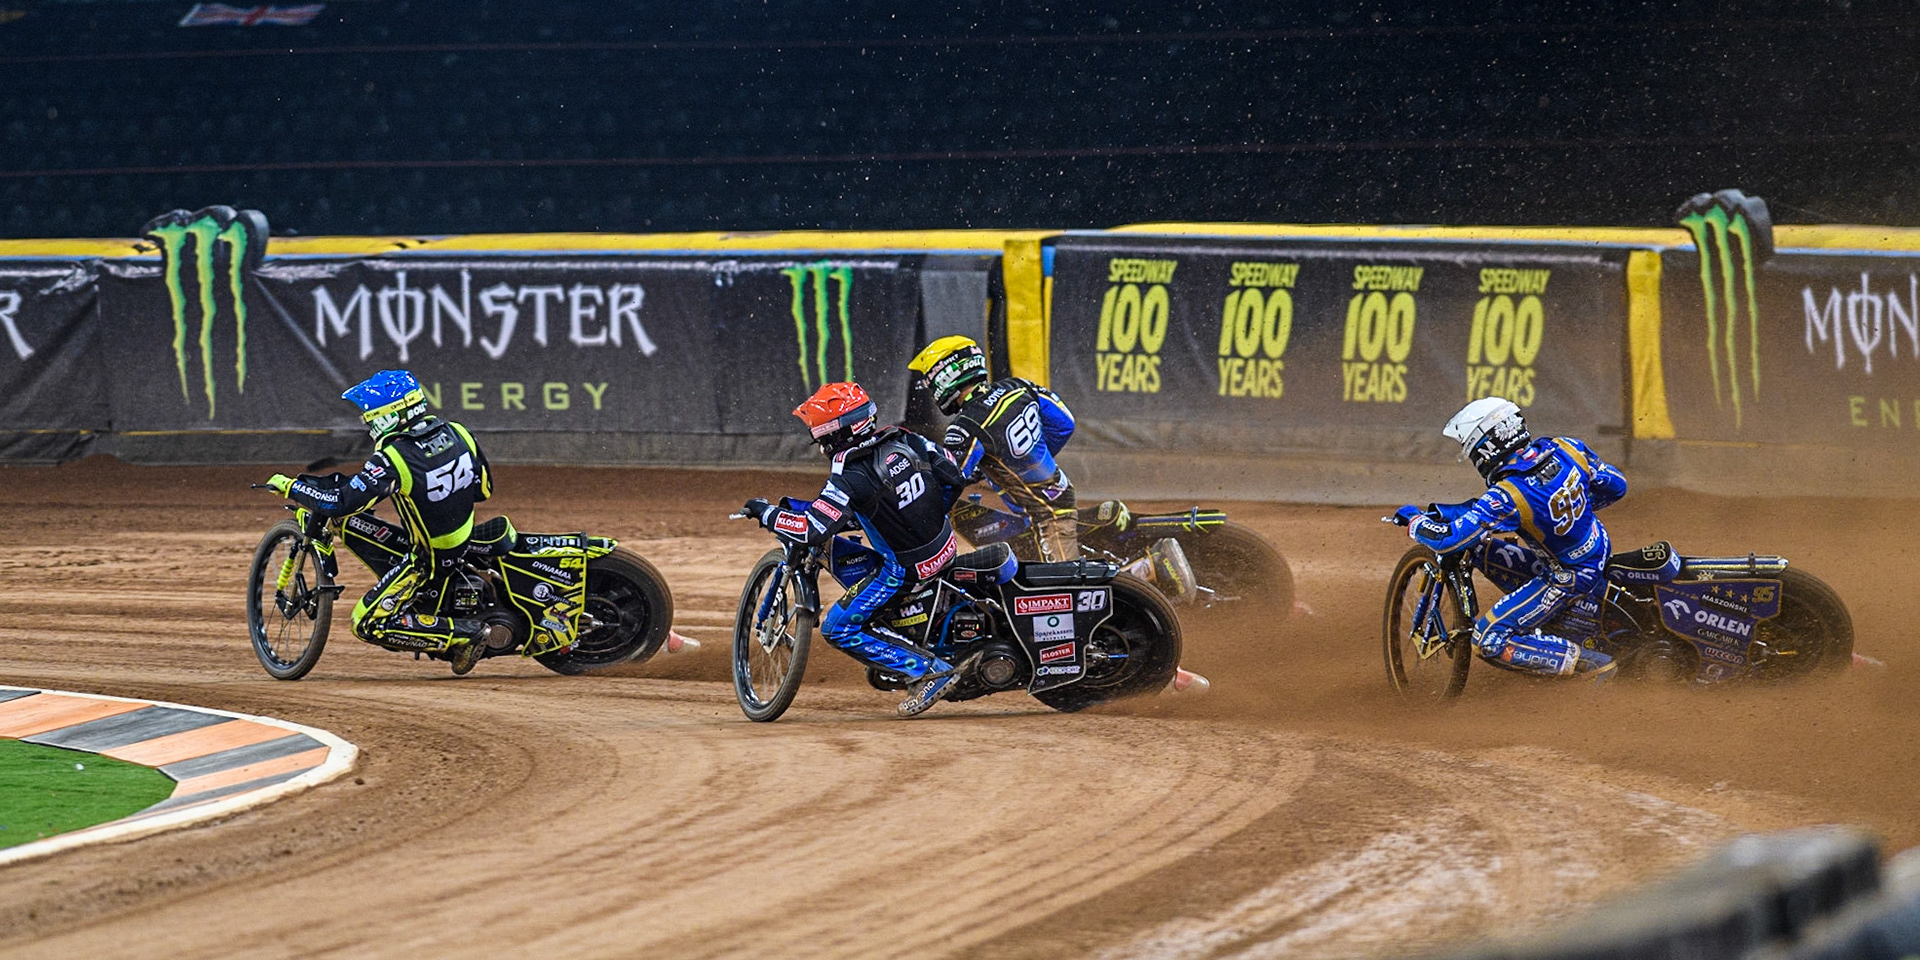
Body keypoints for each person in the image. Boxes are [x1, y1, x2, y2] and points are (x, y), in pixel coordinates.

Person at [908, 336, 1210, 694]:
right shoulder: (1016, 387)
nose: (928, 387)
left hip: (1044, 515)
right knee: (1037, 575)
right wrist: (1030, 463)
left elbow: (949, 483)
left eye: (930, 378)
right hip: (1058, 492)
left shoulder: (966, 427)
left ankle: (1149, 583)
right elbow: (1063, 422)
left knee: (1064, 600)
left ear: (948, 375)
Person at [741, 381, 969, 717]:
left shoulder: (850, 476)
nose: (819, 444)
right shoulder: (906, 438)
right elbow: (953, 475)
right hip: (946, 546)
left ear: (838, 434)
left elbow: (811, 530)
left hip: (906, 570)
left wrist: (766, 513)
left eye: (820, 436)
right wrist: (921, 515)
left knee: (837, 627)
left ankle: (927, 670)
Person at [264, 369, 504, 675]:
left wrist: (291, 487)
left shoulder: (394, 457)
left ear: (392, 416)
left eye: (372, 419)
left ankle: (463, 635)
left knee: (365, 623)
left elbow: (339, 504)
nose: (369, 427)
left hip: (430, 558)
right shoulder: (458, 431)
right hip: (462, 536)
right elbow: (483, 490)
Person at [1392, 397, 1625, 678]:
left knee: (1487, 640)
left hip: (1568, 575)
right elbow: (1616, 486)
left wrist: (1415, 522)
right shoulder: (1567, 447)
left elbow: (1449, 541)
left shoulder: (1509, 494)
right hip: (1598, 549)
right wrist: (1572, 514)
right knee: (1482, 549)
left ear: (1486, 447)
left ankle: (1592, 665)